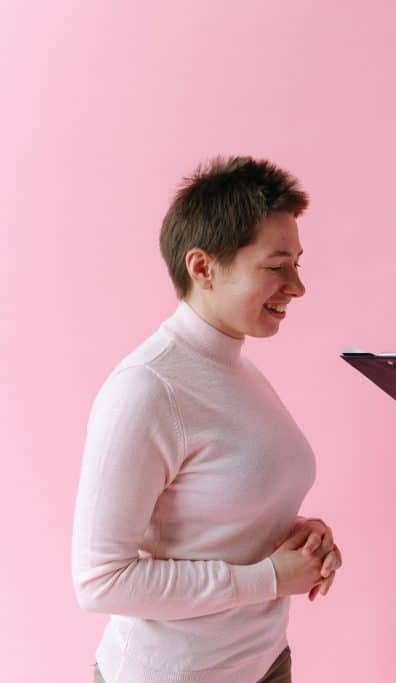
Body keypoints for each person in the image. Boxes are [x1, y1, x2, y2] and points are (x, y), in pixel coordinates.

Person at [71, 157, 341, 683]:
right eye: (276, 266)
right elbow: (100, 581)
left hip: (265, 663)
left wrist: (301, 540)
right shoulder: (147, 388)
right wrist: (267, 579)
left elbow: (220, 516)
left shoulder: (238, 371)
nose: (297, 286)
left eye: (297, 264)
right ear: (202, 267)